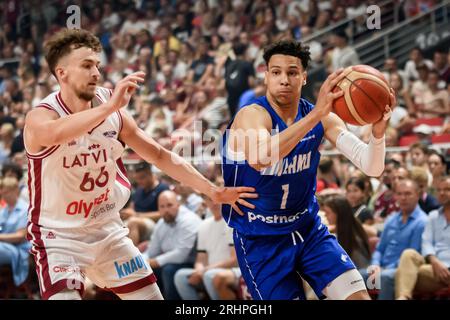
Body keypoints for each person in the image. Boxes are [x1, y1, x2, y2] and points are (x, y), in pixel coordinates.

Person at [23, 28, 256, 300]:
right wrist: (109, 108)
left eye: (97, 65)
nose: (96, 73)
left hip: (108, 230)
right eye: (86, 66)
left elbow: (159, 155)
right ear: (62, 73)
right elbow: (54, 134)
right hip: (59, 237)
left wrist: (211, 190)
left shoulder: (113, 113)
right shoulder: (41, 116)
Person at [222, 40, 395, 300]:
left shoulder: (321, 116)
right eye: (276, 72)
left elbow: (371, 167)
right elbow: (260, 157)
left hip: (308, 229)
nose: (284, 80)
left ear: (303, 77)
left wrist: (378, 133)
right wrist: (315, 117)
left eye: (292, 72)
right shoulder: (252, 115)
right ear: (266, 76)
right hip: (261, 239)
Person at [360, 179, 428, 300]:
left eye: (408, 194)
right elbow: (380, 249)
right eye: (400, 194)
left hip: (401, 270)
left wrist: (384, 269)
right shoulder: (392, 219)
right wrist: (375, 265)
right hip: (381, 268)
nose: (403, 198)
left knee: (385, 277)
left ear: (417, 195)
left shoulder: (422, 222)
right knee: (355, 277)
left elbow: (412, 254)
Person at [174, 194, 239, 300]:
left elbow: (234, 259)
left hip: (230, 270)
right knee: (180, 276)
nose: (214, 202)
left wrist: (204, 271)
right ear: (205, 202)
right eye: (210, 199)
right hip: (209, 270)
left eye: (218, 198)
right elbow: (201, 258)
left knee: (209, 276)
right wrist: (199, 271)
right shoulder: (204, 225)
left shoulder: (233, 222)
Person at [395, 176, 450, 300]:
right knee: (408, 254)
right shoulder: (433, 216)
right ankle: (403, 297)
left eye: (447, 189)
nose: (442, 193)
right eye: (439, 190)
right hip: (433, 268)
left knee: (400, 274)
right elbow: (426, 242)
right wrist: (434, 261)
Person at [144, 190, 201, 300]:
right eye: (162, 207)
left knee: (168, 270)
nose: (166, 210)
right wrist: (141, 262)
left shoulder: (189, 220)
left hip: (193, 263)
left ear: (178, 205)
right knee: (149, 270)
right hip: (172, 263)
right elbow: (152, 251)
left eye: (170, 205)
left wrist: (154, 262)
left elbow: (181, 255)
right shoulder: (161, 223)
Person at [120, 161, 169, 245]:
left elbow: (163, 213)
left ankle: (132, 257)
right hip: (136, 220)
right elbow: (132, 207)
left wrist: (136, 215)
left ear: (150, 174)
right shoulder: (139, 189)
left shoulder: (162, 188)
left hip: (155, 224)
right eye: (137, 178)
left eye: (142, 178)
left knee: (133, 222)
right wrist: (126, 213)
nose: (139, 181)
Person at [322, 195, 373, 270]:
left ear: (338, 214)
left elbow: (362, 269)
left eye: (328, 212)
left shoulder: (355, 240)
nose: (325, 215)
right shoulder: (342, 230)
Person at [0, 177, 31, 287]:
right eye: (2, 193)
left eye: (6, 192)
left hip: (19, 249)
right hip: (4, 246)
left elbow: (20, 236)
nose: (3, 195)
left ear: (15, 191)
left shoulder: (25, 209)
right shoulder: (4, 210)